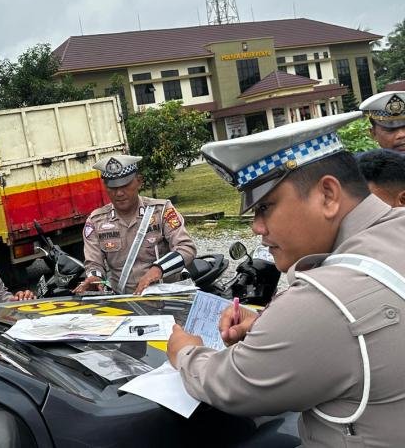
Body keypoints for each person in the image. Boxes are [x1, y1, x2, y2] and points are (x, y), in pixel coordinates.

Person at [166, 112, 405, 447]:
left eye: (265, 207)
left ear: (328, 195)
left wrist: (186, 353)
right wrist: (268, 323)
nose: (257, 228)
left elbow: (231, 383)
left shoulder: (322, 301)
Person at [76, 155, 196, 295]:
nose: (119, 193)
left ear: (139, 181)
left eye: (125, 185)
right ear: (105, 187)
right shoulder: (96, 221)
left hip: (165, 298)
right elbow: (94, 263)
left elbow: (187, 248)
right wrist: (95, 278)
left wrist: (159, 269)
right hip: (124, 301)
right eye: (113, 188)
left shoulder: (161, 211)